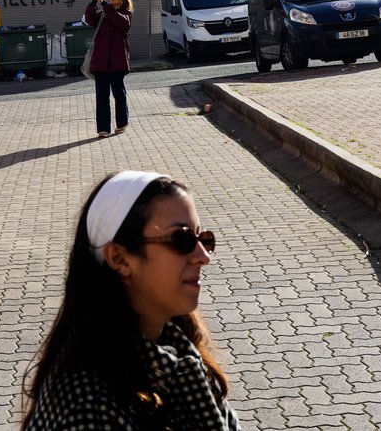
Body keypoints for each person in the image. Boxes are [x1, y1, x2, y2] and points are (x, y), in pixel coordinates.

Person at [21, 171, 239, 429]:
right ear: (119, 258)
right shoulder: (89, 406)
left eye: (203, 239)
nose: (203, 256)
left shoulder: (176, 346)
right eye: (181, 240)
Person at [85, 0, 132, 137]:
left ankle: (122, 123)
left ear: (123, 0)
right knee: (102, 96)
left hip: (117, 63)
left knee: (119, 94)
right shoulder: (103, 13)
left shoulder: (126, 14)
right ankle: (103, 129)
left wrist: (104, 3)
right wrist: (94, 1)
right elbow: (89, 19)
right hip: (100, 63)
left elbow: (120, 23)